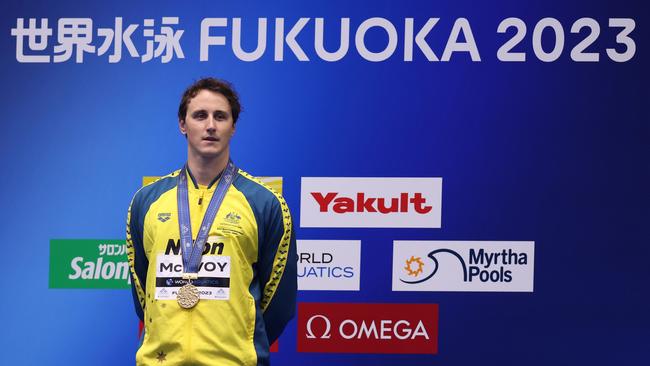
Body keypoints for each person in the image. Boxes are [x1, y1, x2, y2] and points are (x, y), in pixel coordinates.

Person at [126, 77, 296, 366]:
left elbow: (278, 302)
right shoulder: (146, 201)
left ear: (233, 127)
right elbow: (144, 291)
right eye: (200, 115)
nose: (210, 125)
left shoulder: (265, 202)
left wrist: (237, 341)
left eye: (221, 116)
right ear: (183, 124)